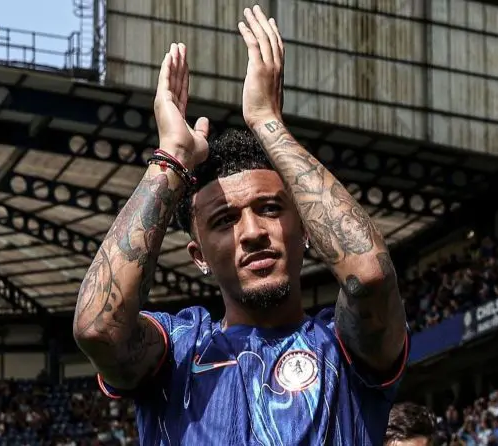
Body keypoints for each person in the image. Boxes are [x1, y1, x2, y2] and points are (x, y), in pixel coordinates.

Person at [73, 5, 408, 445]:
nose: (251, 232)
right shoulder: (177, 352)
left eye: (270, 209)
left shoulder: (343, 347)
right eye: (225, 220)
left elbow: (370, 275)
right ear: (199, 256)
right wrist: (171, 158)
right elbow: (99, 327)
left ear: (305, 229)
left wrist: (268, 124)